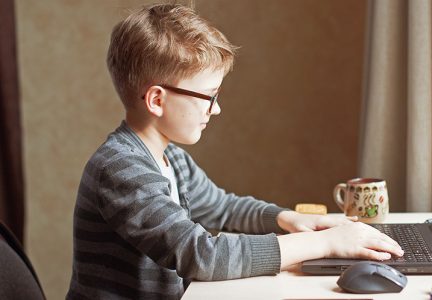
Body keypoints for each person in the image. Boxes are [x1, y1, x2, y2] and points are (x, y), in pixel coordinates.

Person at [66, 3, 403, 299]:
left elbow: (223, 208)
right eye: (208, 96)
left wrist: (288, 219)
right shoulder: (121, 169)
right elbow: (200, 255)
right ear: (157, 100)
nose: (216, 109)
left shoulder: (172, 160)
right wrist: (325, 244)